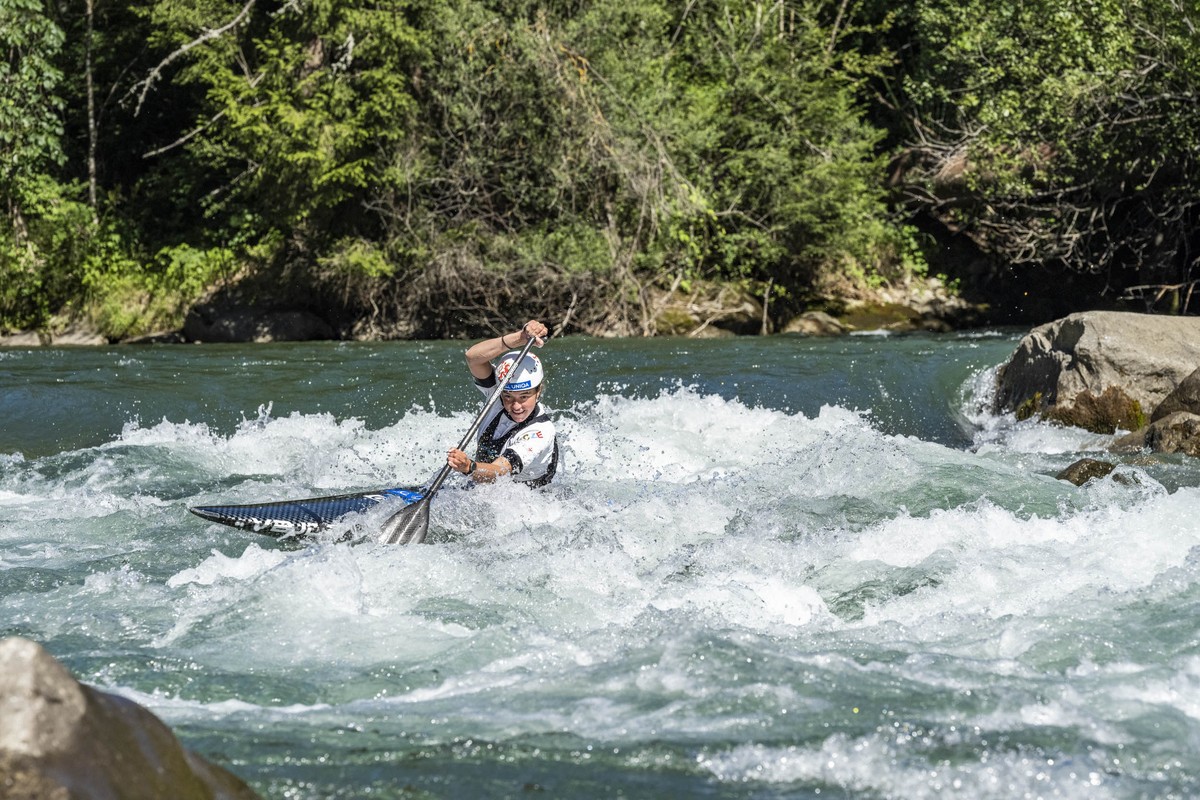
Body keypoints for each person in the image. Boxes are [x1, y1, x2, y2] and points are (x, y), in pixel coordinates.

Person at [446, 320, 558, 487]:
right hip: (480, 481)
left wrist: (469, 467)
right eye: (508, 396)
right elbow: (473, 358)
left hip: (527, 499)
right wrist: (520, 338)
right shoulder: (496, 393)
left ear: (538, 391)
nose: (516, 406)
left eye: (524, 396)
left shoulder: (541, 431)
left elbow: (501, 472)